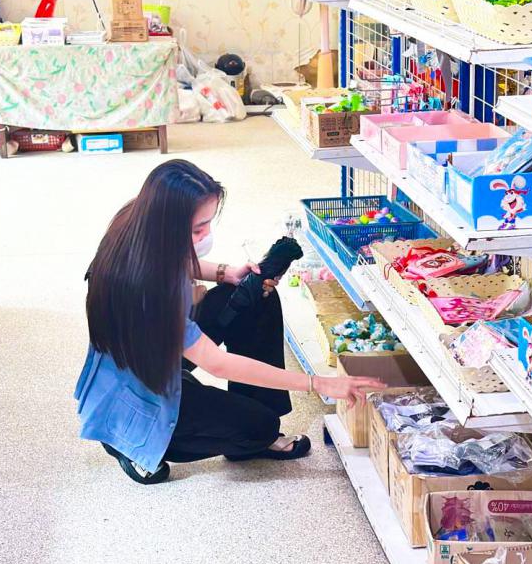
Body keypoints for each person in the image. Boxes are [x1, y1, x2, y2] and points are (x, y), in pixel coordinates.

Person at [76, 160, 386, 485]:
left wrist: (225, 273)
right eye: (198, 229)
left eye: (208, 223)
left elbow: (175, 259)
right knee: (260, 427)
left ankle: (248, 416)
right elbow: (218, 364)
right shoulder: (152, 291)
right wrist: (318, 383)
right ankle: (125, 440)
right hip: (135, 393)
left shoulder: (139, 221)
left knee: (256, 296)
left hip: (153, 354)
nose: (206, 235)